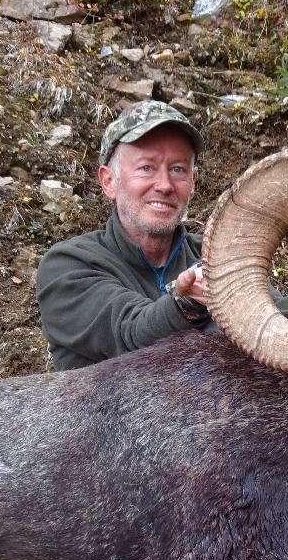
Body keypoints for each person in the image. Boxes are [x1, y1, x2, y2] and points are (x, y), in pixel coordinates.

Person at [36, 101, 211, 371]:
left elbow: (276, 322)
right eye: (146, 168)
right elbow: (132, 333)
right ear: (109, 181)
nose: (165, 185)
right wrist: (185, 304)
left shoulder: (216, 259)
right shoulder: (67, 267)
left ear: (193, 182)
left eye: (178, 169)